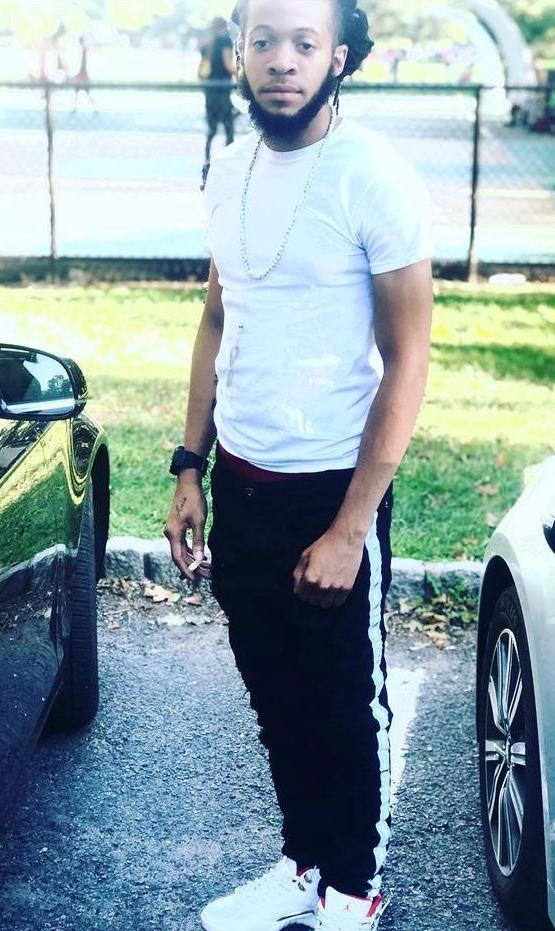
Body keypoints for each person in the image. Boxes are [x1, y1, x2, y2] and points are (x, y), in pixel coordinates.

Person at [165, 0, 434, 928]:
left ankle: (354, 889)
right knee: (275, 694)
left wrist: (351, 527)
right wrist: (189, 465)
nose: (282, 60)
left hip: (333, 489)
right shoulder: (228, 169)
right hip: (240, 481)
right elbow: (217, 317)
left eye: (304, 44)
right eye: (264, 41)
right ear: (239, 53)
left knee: (343, 706)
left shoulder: (373, 175)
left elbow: (408, 357)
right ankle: (304, 864)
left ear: (340, 57)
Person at [198, 17, 238, 191]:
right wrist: (243, 77)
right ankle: (229, 165)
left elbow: (201, 70)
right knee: (229, 129)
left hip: (210, 91)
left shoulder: (207, 43)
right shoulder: (224, 41)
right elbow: (228, 65)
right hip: (222, 90)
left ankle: (207, 163)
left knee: (212, 130)